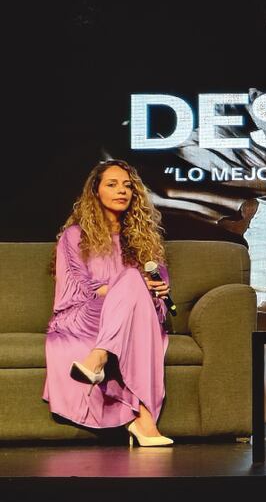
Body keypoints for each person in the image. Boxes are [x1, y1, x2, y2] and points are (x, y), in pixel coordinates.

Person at [44, 160, 174, 447]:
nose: (122, 191)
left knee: (134, 284)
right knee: (130, 280)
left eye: (128, 186)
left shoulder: (145, 240)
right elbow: (78, 286)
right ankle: (144, 421)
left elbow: (159, 289)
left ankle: (99, 357)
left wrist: (158, 290)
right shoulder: (75, 236)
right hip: (85, 313)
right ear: (96, 191)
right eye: (112, 184)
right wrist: (125, 291)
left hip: (136, 317)